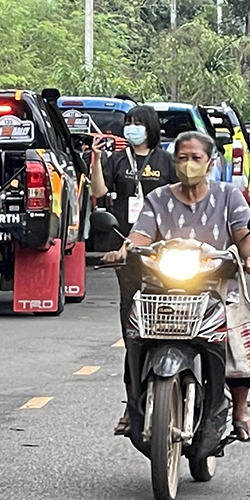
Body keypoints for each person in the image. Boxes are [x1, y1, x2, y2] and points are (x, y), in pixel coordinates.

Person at [105, 131, 250, 441]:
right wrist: (124, 249)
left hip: (215, 287)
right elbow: (140, 234)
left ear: (210, 162)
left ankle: (240, 411)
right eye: (182, 158)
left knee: (233, 337)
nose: (189, 164)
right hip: (162, 288)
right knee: (137, 334)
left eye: (196, 158)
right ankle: (133, 404)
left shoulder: (228, 195)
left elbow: (246, 235)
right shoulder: (158, 198)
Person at [91, 105, 176, 349]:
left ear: (150, 127)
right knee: (130, 297)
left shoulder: (166, 160)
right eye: (128, 123)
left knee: (164, 292)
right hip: (123, 240)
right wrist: (96, 159)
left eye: (137, 123)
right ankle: (134, 349)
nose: (131, 128)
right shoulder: (117, 159)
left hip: (161, 241)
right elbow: (99, 191)